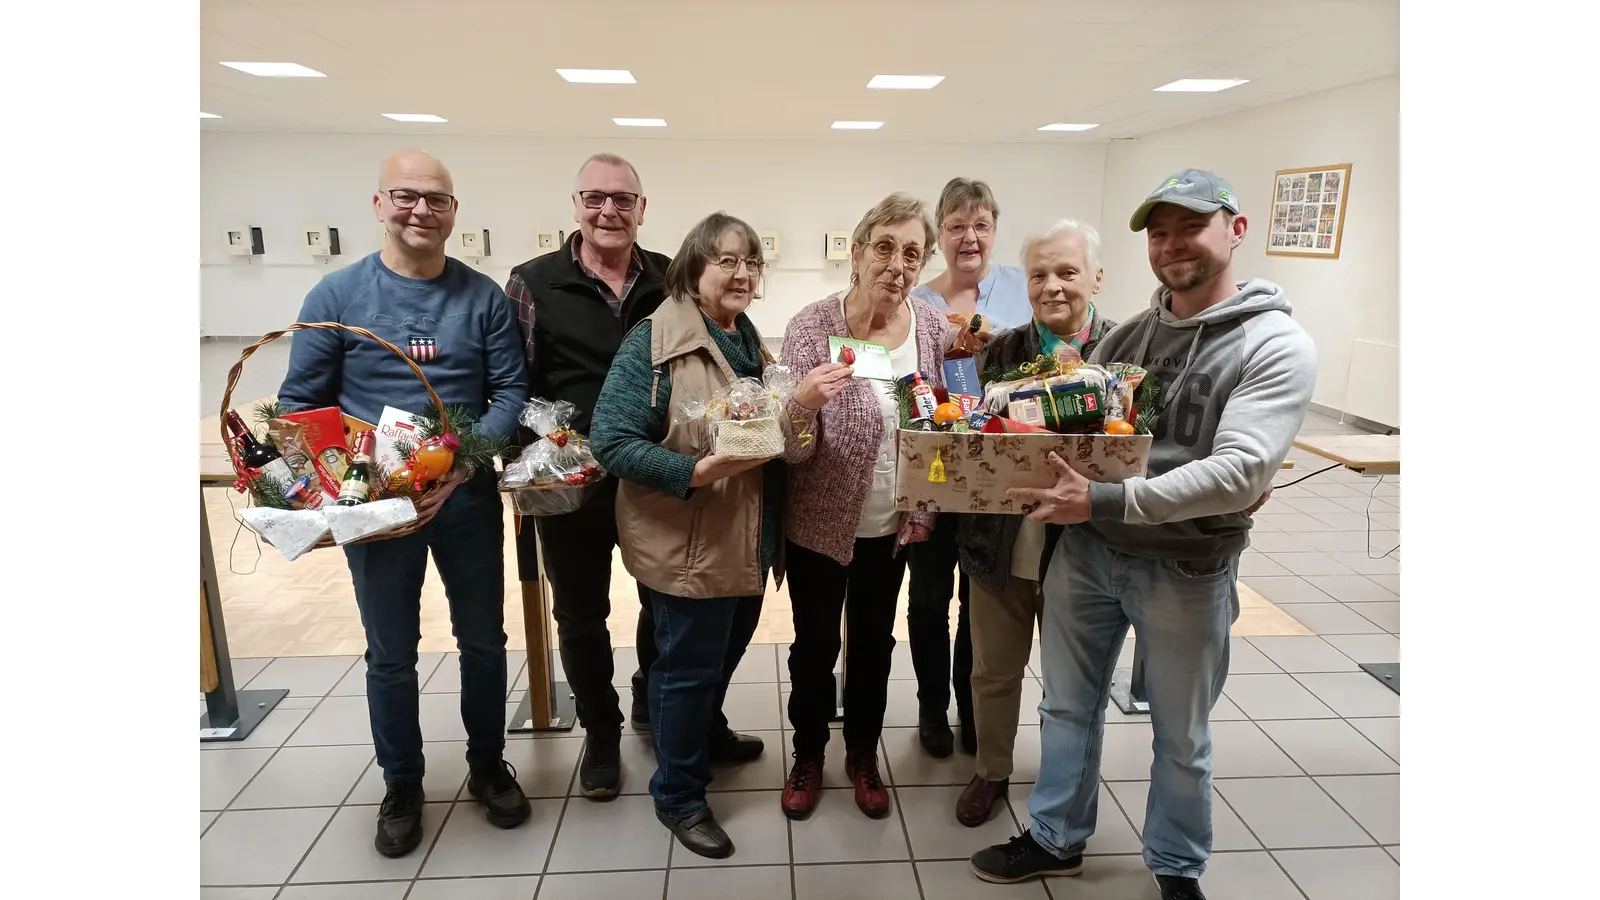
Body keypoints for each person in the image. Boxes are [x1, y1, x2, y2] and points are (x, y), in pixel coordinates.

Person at [969, 169, 1317, 900]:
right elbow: (1071, 430)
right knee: (1066, 707)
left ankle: (1177, 864)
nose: (1171, 244)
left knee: (1181, 737)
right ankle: (1057, 837)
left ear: (1236, 229)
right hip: (1090, 558)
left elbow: (1241, 470)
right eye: (1158, 232)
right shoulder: (1129, 337)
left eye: (1189, 226)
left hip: (1187, 568)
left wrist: (1101, 499)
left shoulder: (1273, 344)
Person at [278, 149, 531, 858]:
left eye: (437, 199)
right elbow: (302, 405)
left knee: (483, 640)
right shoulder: (336, 297)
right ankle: (403, 782)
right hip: (377, 509)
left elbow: (507, 391)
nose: (421, 209)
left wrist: (459, 464)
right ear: (379, 204)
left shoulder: (482, 297)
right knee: (391, 653)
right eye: (406, 196)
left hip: (466, 499)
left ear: (455, 213)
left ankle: (487, 765)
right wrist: (358, 481)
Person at [504, 154, 764, 800]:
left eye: (623, 200)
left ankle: (664, 707)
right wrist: (523, 468)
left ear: (642, 210)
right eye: (595, 198)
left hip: (658, 482)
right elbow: (514, 385)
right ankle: (602, 731)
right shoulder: (534, 283)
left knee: (668, 606)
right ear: (576, 204)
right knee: (581, 614)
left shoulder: (669, 279)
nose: (608, 211)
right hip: (573, 484)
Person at [590, 212, 823, 859]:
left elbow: (764, 430)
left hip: (746, 540)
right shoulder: (654, 342)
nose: (743, 272)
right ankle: (679, 794)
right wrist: (696, 469)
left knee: (721, 656)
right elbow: (610, 441)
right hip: (687, 541)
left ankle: (704, 734)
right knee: (686, 671)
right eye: (726, 260)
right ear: (693, 269)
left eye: (751, 261)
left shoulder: (747, 340)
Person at [778, 192, 947, 820]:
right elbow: (792, 453)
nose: (896, 265)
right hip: (821, 526)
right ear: (856, 252)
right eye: (884, 248)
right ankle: (808, 753)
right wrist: (802, 405)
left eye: (912, 253)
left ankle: (862, 756)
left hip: (890, 527)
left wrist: (923, 508)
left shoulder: (928, 326)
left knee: (875, 644)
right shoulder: (810, 327)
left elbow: (934, 426)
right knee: (815, 647)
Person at [954, 218, 1118, 827]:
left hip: (1089, 547)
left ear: (1096, 278)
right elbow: (966, 437)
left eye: (1067, 273)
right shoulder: (998, 352)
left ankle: (1061, 784)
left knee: (1072, 681)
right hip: (1000, 540)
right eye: (1039, 275)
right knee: (992, 667)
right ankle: (991, 769)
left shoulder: (1124, 352)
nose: (1052, 287)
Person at [906, 177, 1035, 759]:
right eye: (956, 225)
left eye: (981, 224)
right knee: (930, 597)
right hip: (936, 473)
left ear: (994, 231)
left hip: (996, 473)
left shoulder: (1019, 293)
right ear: (940, 234)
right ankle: (932, 707)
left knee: (980, 596)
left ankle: (972, 707)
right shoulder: (919, 300)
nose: (969, 237)